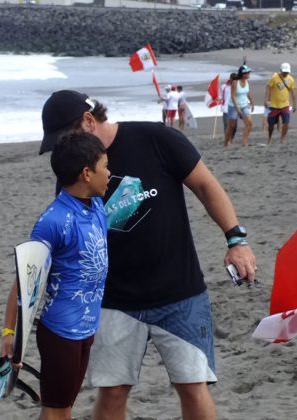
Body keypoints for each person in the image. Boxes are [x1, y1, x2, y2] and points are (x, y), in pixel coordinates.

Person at [38, 90, 257, 420]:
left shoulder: (156, 138)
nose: (62, 148)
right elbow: (70, 236)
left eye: (65, 137)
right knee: (112, 391)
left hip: (180, 293)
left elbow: (206, 186)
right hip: (115, 299)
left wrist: (236, 241)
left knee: (193, 386)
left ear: (87, 120)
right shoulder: (73, 169)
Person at [0, 131, 110, 420]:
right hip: (61, 333)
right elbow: (24, 281)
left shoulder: (97, 206)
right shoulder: (53, 221)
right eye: (105, 166)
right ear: (86, 173)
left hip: (87, 328)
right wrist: (9, 333)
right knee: (57, 411)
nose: (110, 173)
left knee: (60, 407)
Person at [264, 62, 296, 144]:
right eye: (284, 72)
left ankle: (282, 138)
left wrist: (295, 104)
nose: (285, 73)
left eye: (287, 72)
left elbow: (293, 92)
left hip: (285, 105)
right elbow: (268, 88)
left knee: (286, 122)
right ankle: (269, 138)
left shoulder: (291, 79)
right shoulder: (274, 78)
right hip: (274, 105)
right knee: (271, 124)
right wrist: (266, 100)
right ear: (280, 70)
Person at [226, 64, 254, 147]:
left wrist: (252, 102)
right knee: (232, 126)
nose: (249, 74)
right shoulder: (235, 82)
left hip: (244, 105)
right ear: (243, 74)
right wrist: (238, 109)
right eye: (247, 73)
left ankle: (244, 142)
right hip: (233, 106)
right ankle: (226, 142)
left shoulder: (247, 82)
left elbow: (248, 93)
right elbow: (233, 96)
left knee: (249, 123)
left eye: (249, 73)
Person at [221, 73, 238, 141]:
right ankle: (227, 139)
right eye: (233, 79)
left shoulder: (237, 86)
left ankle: (231, 138)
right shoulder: (223, 87)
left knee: (234, 126)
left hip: (235, 108)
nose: (234, 81)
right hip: (225, 108)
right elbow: (221, 96)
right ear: (230, 79)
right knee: (227, 125)